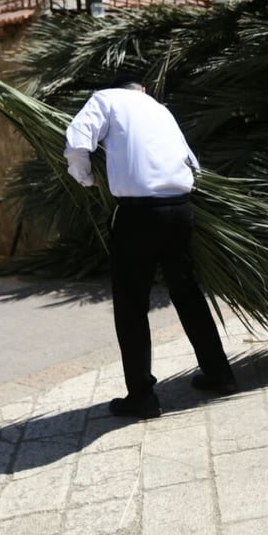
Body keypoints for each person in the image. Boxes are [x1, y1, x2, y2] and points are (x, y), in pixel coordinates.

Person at [64, 76, 236, 419]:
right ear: (141, 89)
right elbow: (192, 162)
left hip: (139, 214)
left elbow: (77, 140)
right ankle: (220, 374)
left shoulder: (105, 99)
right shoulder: (160, 109)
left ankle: (142, 397)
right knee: (188, 293)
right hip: (180, 208)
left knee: (131, 306)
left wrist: (86, 178)